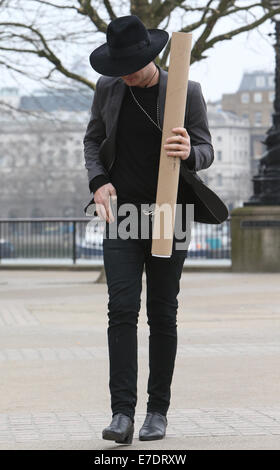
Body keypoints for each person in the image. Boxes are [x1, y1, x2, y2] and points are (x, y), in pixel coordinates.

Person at [83, 15, 228, 445]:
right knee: (121, 312)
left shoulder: (186, 91)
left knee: (163, 314)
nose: (125, 75)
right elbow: (93, 141)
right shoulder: (108, 88)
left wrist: (190, 152)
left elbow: (206, 148)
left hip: (171, 213)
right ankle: (121, 414)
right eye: (118, 67)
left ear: (152, 56)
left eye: (132, 66)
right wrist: (98, 181)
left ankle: (157, 413)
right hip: (123, 215)